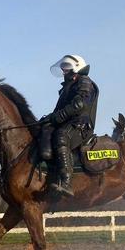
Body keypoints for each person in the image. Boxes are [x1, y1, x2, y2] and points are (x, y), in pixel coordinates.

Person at [39, 54, 99, 197]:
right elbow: (60, 110)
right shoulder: (70, 85)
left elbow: (79, 104)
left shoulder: (84, 82)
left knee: (61, 135)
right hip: (71, 123)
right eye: (63, 68)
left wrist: (59, 116)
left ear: (76, 68)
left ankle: (66, 182)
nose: (64, 72)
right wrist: (48, 119)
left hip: (81, 125)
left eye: (66, 68)